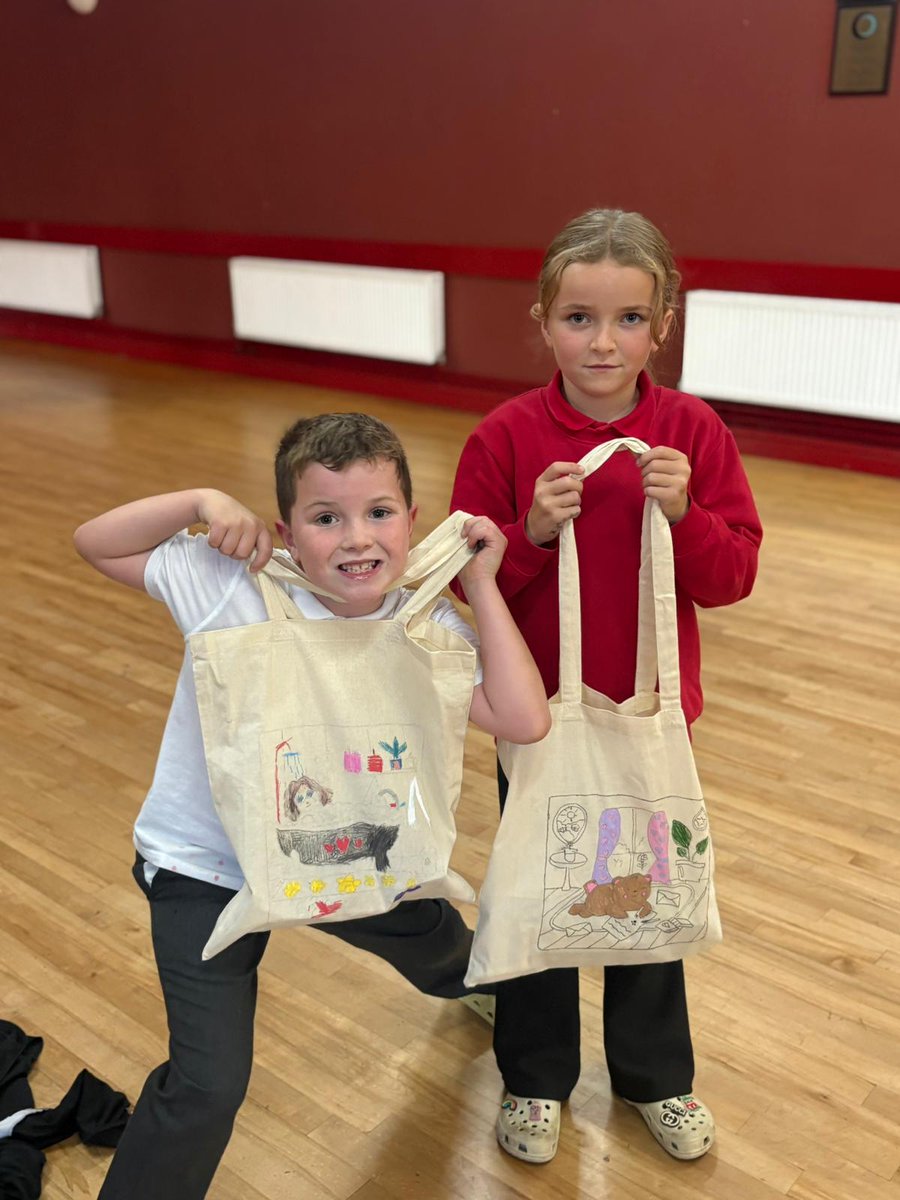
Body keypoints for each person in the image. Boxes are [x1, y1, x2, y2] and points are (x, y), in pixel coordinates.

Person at [73, 411, 550, 1199]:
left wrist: (484, 585)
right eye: (327, 518)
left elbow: (523, 718)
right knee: (209, 1085)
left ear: (412, 520)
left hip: (344, 853)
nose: (357, 539)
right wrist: (197, 499)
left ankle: (476, 987)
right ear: (285, 532)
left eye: (379, 512)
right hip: (205, 869)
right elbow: (98, 541)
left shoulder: (419, 615)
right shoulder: (227, 583)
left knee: (427, 930)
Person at [450, 208, 762, 1164]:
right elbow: (463, 588)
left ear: (660, 325)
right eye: (580, 318)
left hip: (654, 719)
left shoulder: (692, 433)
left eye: (628, 319)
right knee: (545, 892)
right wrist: (533, 537)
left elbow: (734, 574)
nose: (603, 341)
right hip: (535, 719)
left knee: (645, 898)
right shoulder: (504, 438)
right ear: (543, 320)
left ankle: (655, 1076)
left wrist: (689, 513)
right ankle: (535, 1079)